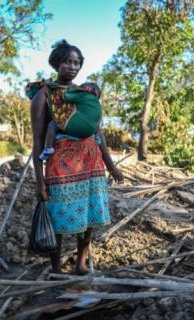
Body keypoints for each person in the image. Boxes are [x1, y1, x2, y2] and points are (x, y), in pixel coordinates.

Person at [28, 40, 123, 276]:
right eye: (68, 62)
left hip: (90, 162)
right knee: (58, 215)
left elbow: (97, 131)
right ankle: (57, 268)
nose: (73, 67)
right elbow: (38, 141)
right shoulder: (43, 96)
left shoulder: (84, 93)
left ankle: (81, 263)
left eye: (77, 63)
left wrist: (111, 166)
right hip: (60, 164)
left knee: (88, 214)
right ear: (57, 63)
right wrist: (40, 181)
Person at [38, 82, 102, 161]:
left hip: (78, 126)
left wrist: (74, 89)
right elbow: (98, 122)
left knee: (53, 125)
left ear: (89, 89)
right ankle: (69, 136)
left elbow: (66, 96)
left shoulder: (84, 95)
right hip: (90, 132)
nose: (79, 87)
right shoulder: (98, 105)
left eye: (82, 86)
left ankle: (48, 148)